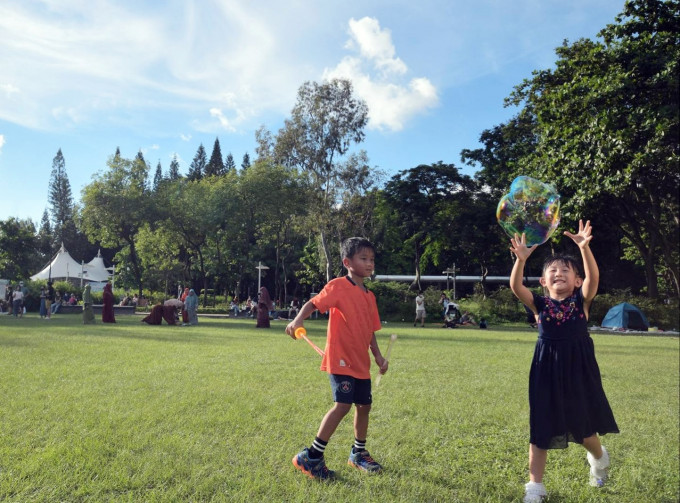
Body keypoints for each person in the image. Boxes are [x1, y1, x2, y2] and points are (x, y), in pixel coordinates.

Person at [509, 221, 619, 503]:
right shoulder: (540, 305)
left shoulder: (581, 302)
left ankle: (599, 457)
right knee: (541, 424)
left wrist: (584, 248)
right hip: (545, 368)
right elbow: (515, 286)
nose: (559, 273)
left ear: (577, 281)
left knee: (582, 426)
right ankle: (535, 487)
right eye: (552, 271)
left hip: (578, 368)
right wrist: (521, 261)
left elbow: (594, 278)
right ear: (543, 282)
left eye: (566, 271)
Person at [285, 237, 388, 480]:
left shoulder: (369, 296)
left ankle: (358, 453)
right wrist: (298, 319)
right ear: (347, 262)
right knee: (342, 405)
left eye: (372, 259)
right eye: (363, 259)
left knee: (364, 406)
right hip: (340, 360)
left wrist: (379, 356)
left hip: (361, 363)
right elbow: (313, 303)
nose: (369, 263)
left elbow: (370, 330)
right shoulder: (338, 286)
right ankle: (311, 457)